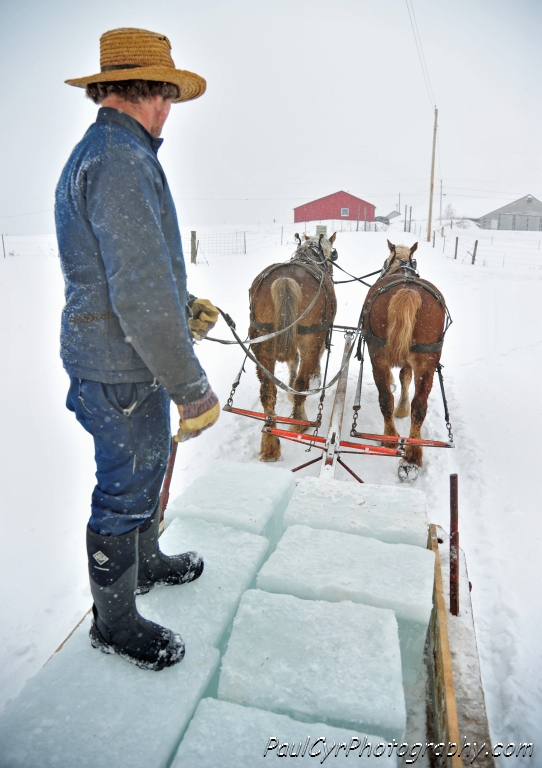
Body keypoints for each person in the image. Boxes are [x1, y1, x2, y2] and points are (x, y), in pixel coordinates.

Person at [55, 27, 220, 671]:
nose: (169, 111)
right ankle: (113, 622)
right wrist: (192, 387)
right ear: (147, 93)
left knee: (147, 466)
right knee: (124, 489)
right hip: (120, 365)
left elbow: (137, 274)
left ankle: (145, 562)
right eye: (166, 96)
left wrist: (182, 310)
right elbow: (139, 294)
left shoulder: (110, 152)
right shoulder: (122, 160)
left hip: (123, 356)